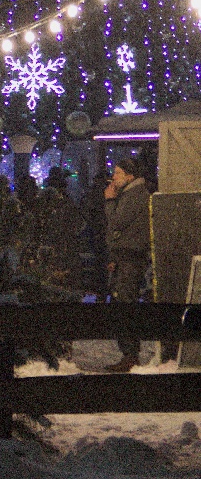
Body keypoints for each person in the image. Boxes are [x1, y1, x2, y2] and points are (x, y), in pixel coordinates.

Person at [103, 156, 152, 372]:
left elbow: (116, 222)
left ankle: (130, 354)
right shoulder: (133, 194)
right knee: (123, 303)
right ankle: (129, 353)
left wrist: (109, 201)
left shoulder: (133, 195)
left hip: (130, 258)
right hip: (126, 257)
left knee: (124, 305)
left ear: (130, 176)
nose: (113, 177)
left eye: (117, 173)